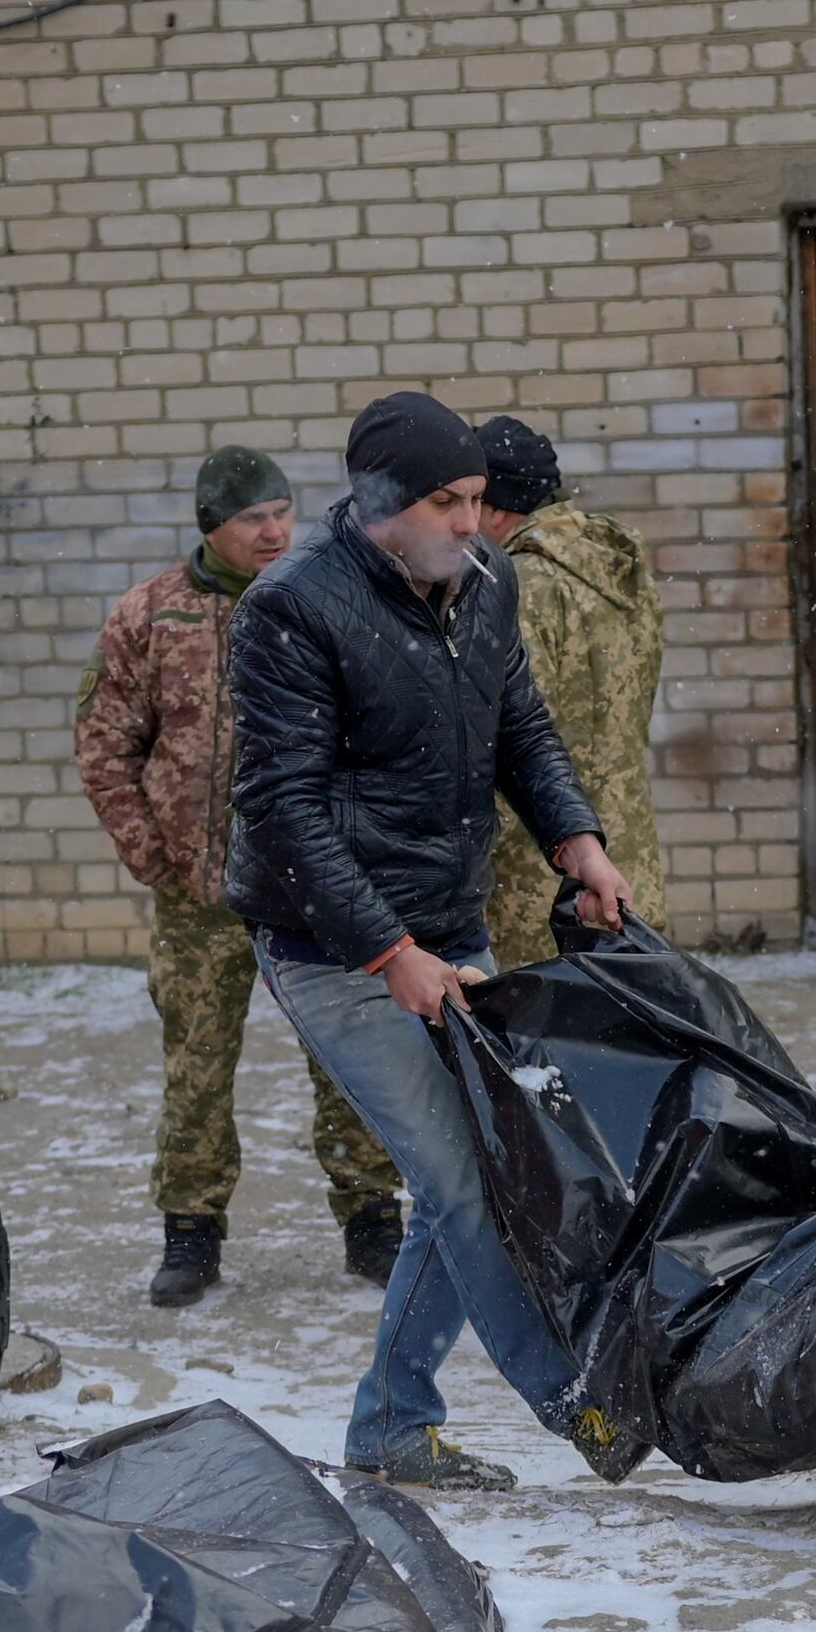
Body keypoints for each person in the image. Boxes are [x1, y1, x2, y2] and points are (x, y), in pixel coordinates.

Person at [227, 391, 644, 1489]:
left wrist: (577, 840)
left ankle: (389, 1428)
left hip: (448, 923)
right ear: (380, 502)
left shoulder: (486, 581)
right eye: (447, 502)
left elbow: (522, 727)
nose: (472, 522)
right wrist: (387, 950)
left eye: (477, 500)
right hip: (331, 944)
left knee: (489, 1167)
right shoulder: (290, 609)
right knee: (463, 1182)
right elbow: (282, 810)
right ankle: (578, 1404)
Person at [73, 445, 407, 1308]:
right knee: (196, 1064)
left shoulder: (328, 597)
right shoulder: (151, 614)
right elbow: (105, 743)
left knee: (349, 1056)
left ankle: (373, 1217)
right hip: (203, 898)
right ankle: (191, 1230)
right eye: (252, 517)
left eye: (282, 511)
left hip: (317, 888)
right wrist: (156, 856)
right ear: (209, 527)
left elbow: (384, 729)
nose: (273, 530)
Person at [467, 417, 668, 970]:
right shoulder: (617, 568)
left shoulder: (520, 585)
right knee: (626, 1014)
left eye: (470, 503)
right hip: (626, 857)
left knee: (543, 1022)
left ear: (498, 510)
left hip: (545, 882)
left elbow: (512, 735)